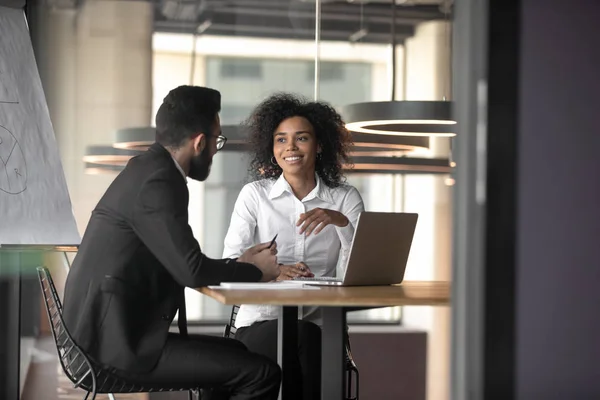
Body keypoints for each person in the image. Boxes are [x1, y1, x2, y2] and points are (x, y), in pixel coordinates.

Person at [62, 86, 282, 399]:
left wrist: (242, 264)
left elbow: (180, 261)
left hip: (103, 337)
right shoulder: (160, 181)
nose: (216, 151)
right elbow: (191, 269)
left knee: (236, 355)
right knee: (261, 373)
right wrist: (257, 271)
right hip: (109, 348)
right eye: (217, 141)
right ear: (199, 142)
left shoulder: (147, 169)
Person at [222, 93, 365, 400]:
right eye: (280, 139)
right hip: (260, 321)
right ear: (271, 148)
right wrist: (271, 272)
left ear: (320, 144)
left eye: (301, 138)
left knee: (309, 336)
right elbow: (230, 261)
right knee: (304, 338)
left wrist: (341, 223)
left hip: (320, 323)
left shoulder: (345, 199)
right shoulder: (254, 195)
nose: (290, 147)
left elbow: (361, 272)